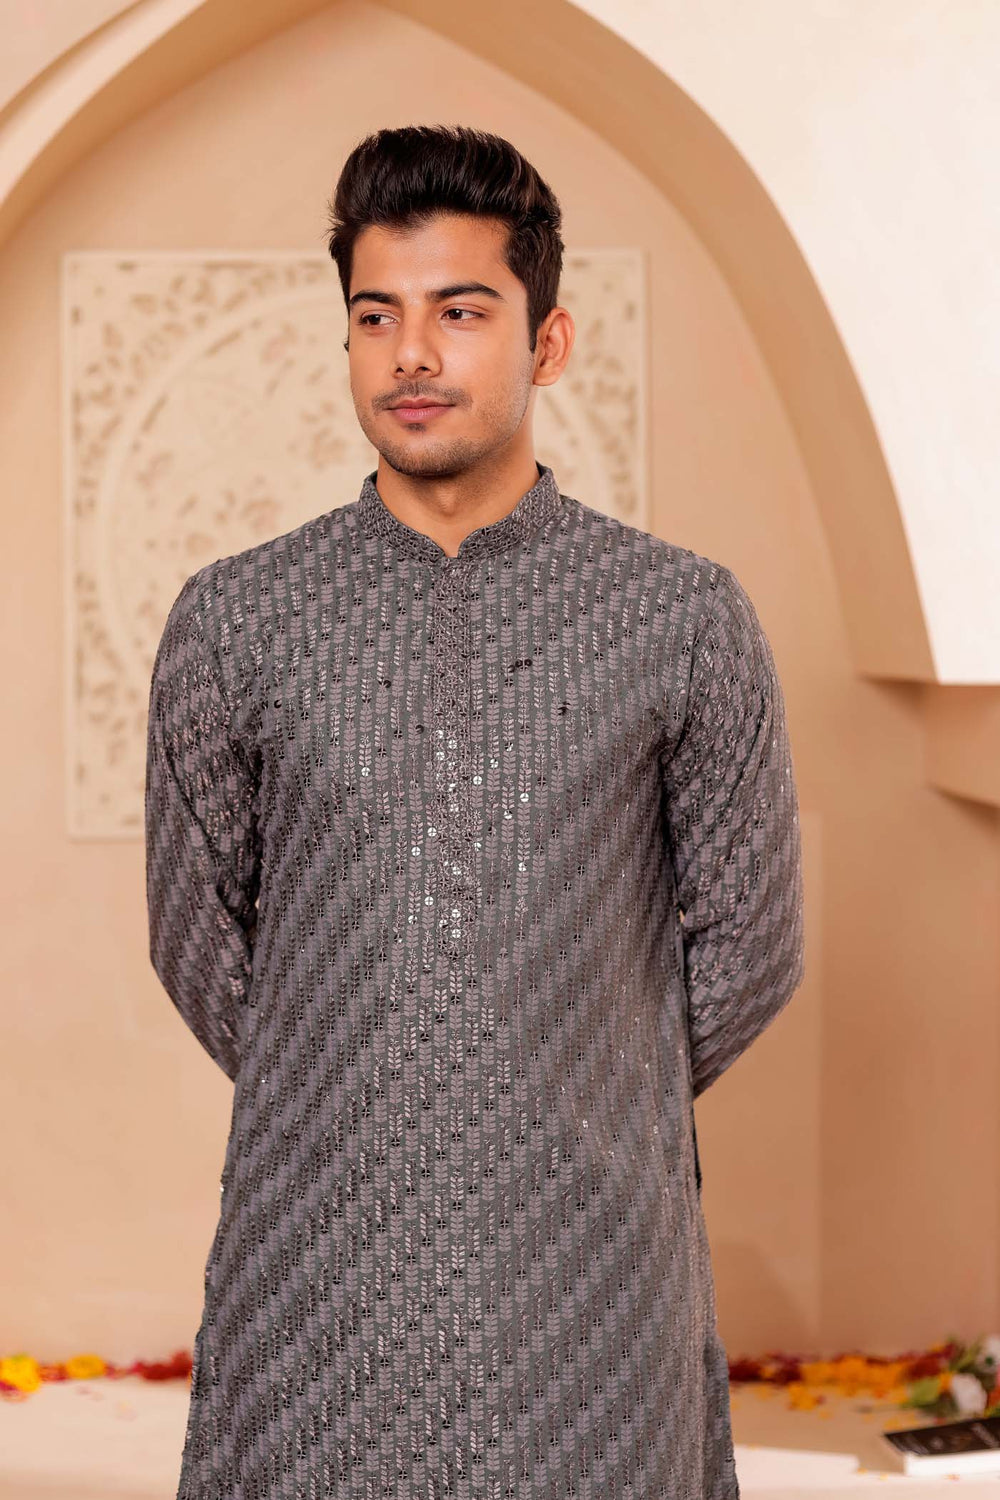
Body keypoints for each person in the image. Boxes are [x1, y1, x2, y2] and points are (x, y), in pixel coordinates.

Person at [145, 123, 805, 1500]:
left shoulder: (681, 617)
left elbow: (750, 942)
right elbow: (197, 933)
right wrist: (356, 1085)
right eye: (375, 316)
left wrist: (567, 1085)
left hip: (594, 1264)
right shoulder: (238, 619)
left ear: (547, 342)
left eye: (460, 312)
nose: (411, 355)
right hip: (316, 1257)